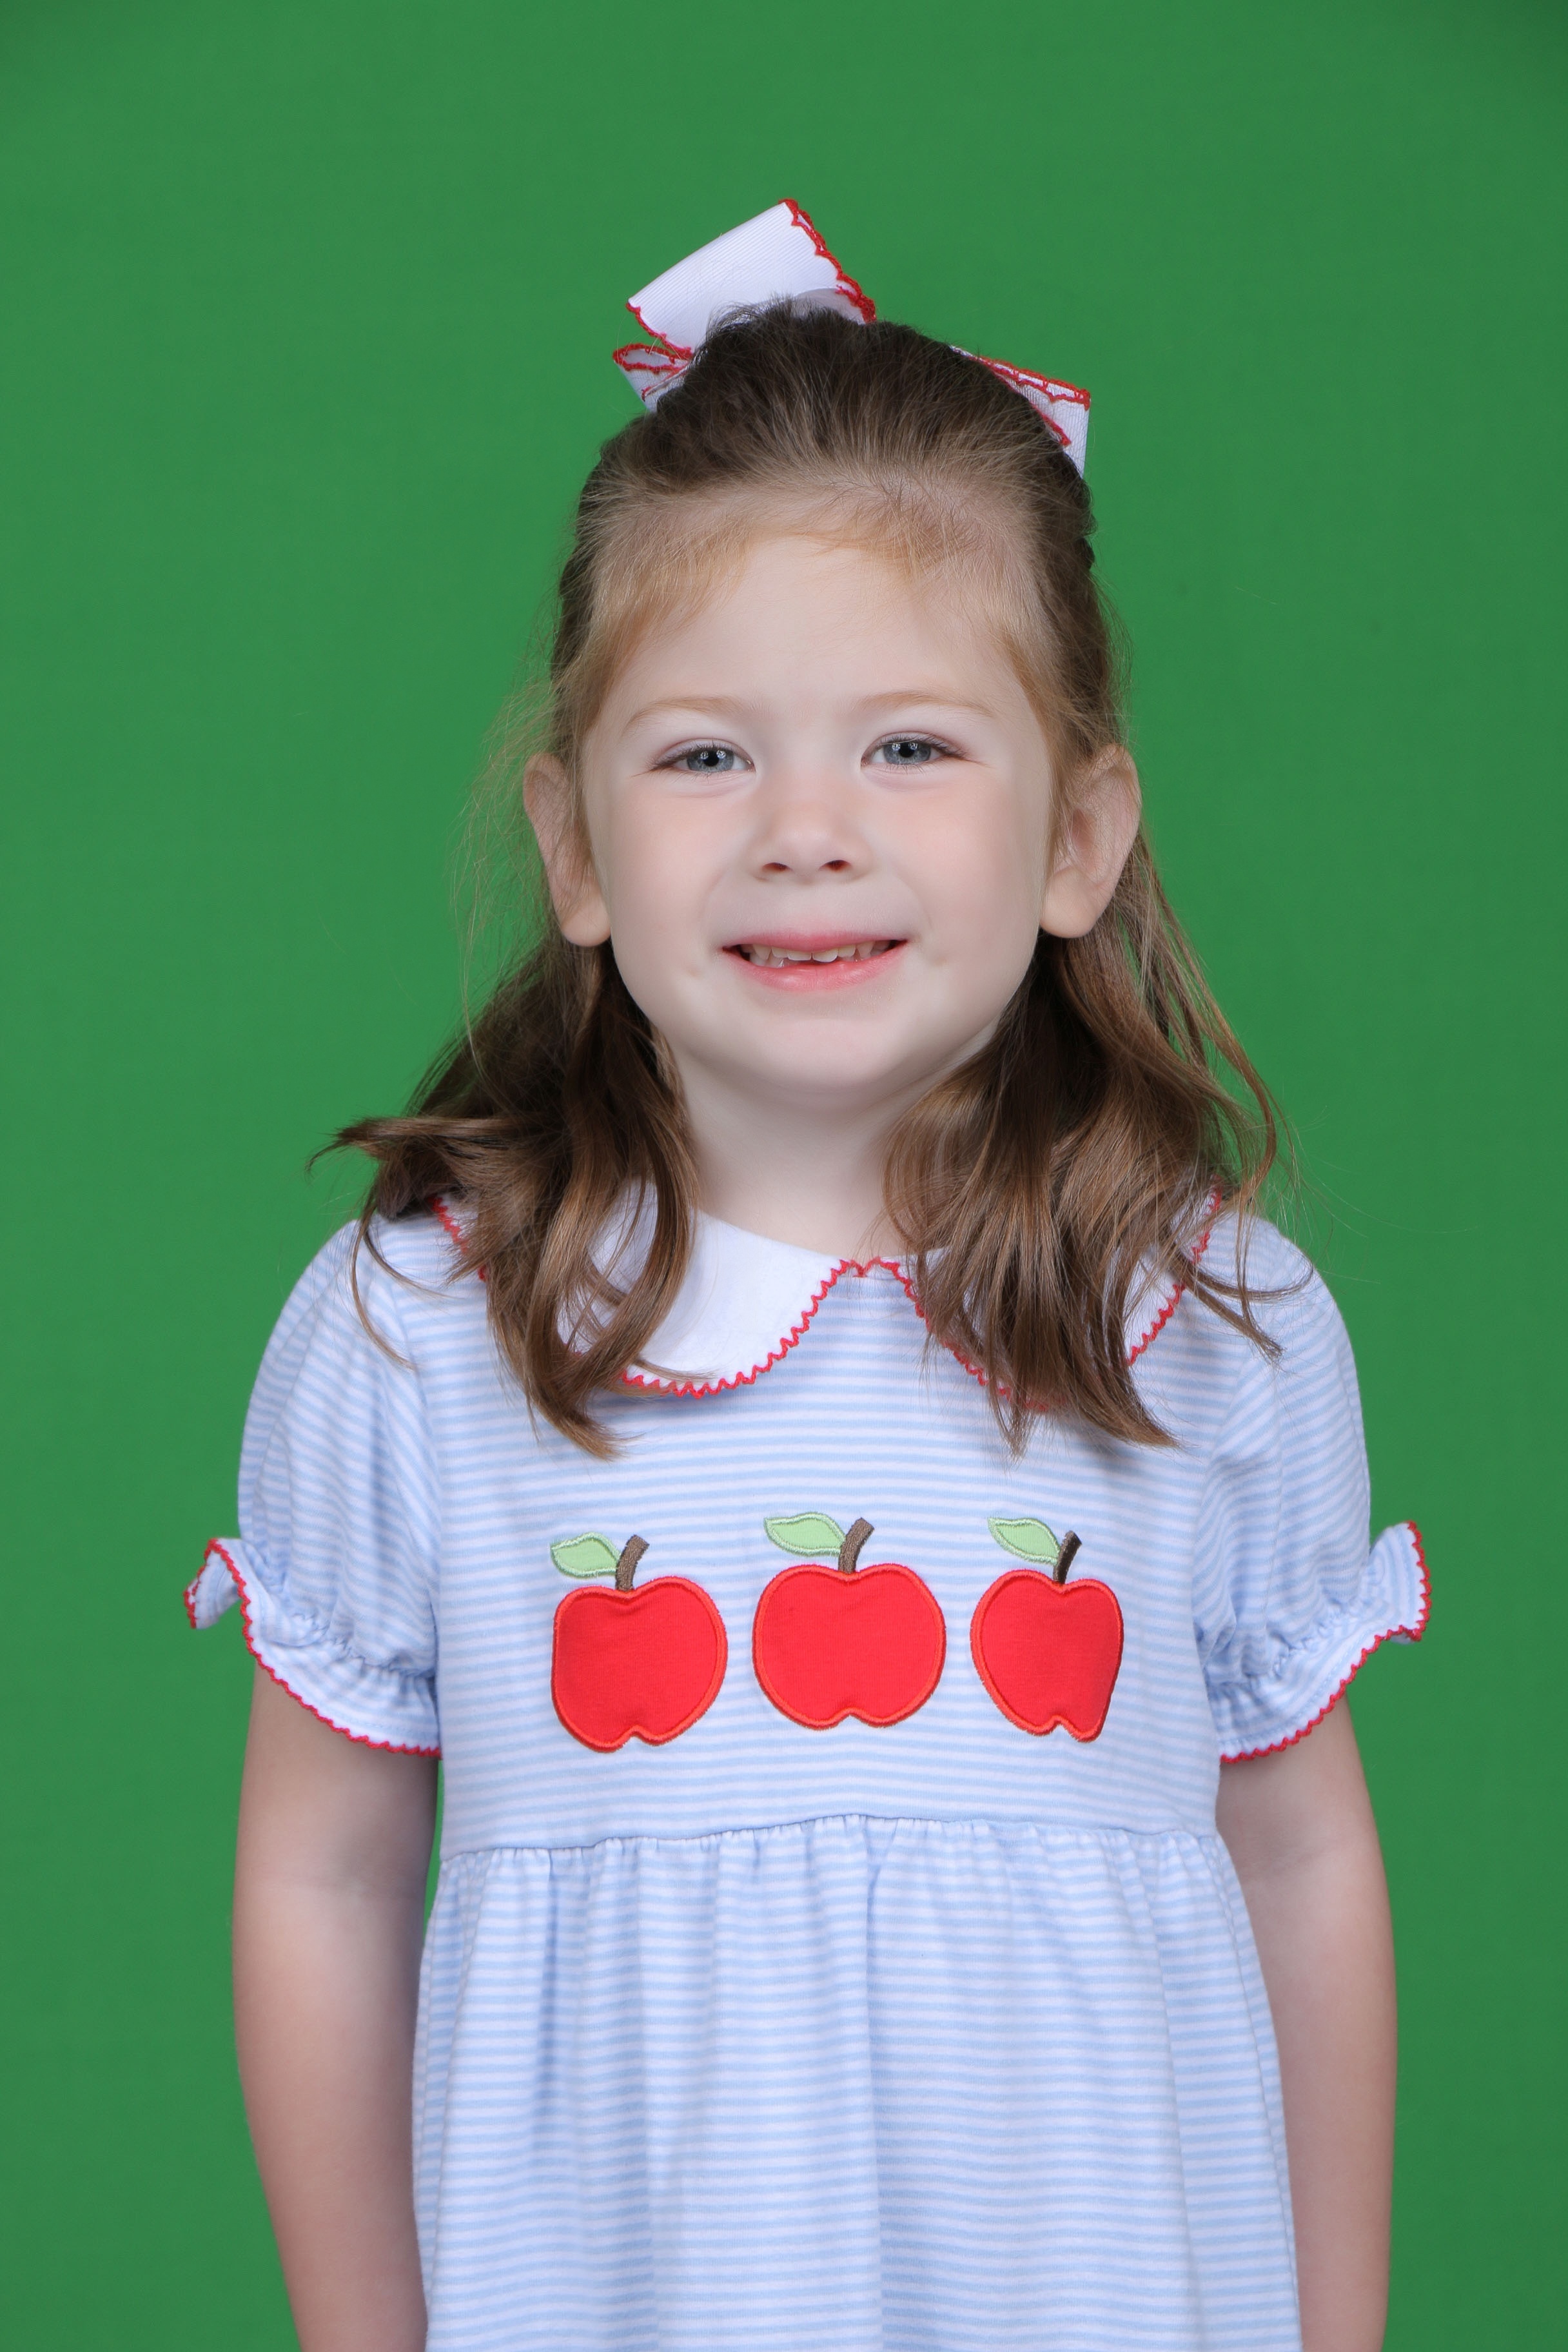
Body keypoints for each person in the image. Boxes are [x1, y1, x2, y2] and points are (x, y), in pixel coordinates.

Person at [190, 203, 1428, 2352]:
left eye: (911, 745)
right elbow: (324, 1876)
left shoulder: (1212, 1323)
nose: (806, 827)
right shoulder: (422, 1327)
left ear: (1080, 838)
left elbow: (1305, 1864)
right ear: (576, 848)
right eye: (706, 753)